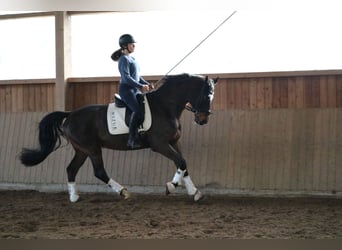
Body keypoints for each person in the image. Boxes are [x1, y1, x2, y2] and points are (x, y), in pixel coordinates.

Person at [111, 34, 151, 149]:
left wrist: (146, 84)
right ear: (125, 46)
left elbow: (137, 76)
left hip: (135, 90)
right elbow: (126, 78)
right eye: (131, 44)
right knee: (138, 112)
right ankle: (131, 139)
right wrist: (140, 86)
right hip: (127, 91)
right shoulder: (123, 59)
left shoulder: (132, 59)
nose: (134, 46)